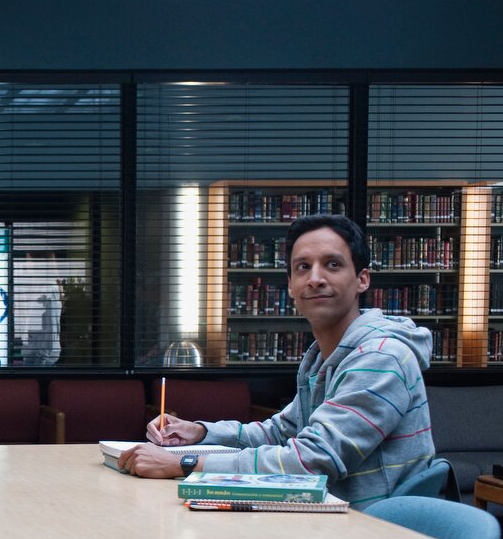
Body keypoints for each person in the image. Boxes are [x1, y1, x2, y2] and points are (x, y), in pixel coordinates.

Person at [120, 214, 434, 508]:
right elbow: (282, 432)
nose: (315, 279)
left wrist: (183, 463)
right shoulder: (324, 357)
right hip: (324, 518)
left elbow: (312, 460)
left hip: (373, 534)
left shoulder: (381, 356)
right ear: (290, 286)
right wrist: (201, 433)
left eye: (332, 264)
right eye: (302, 267)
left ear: (362, 279)